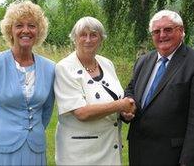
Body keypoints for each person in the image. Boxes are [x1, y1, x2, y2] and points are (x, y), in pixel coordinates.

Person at [123, 9, 194, 165]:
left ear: (180, 31)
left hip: (172, 155)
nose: (162, 35)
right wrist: (128, 106)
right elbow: (131, 89)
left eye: (168, 29)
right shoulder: (143, 61)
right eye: (156, 31)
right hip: (138, 151)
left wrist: (189, 161)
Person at [54, 16, 135, 165]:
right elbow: (81, 113)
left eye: (93, 35)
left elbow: (114, 97)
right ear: (75, 38)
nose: (88, 39)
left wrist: (124, 113)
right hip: (80, 154)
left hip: (109, 149)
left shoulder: (107, 63)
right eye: (83, 35)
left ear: (101, 39)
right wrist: (121, 105)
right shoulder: (64, 68)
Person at [0, 0, 55, 165]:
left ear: (39, 31)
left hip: (35, 150)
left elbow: (47, 110)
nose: (26, 30)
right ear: (10, 30)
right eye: (19, 25)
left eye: (32, 25)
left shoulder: (50, 68)